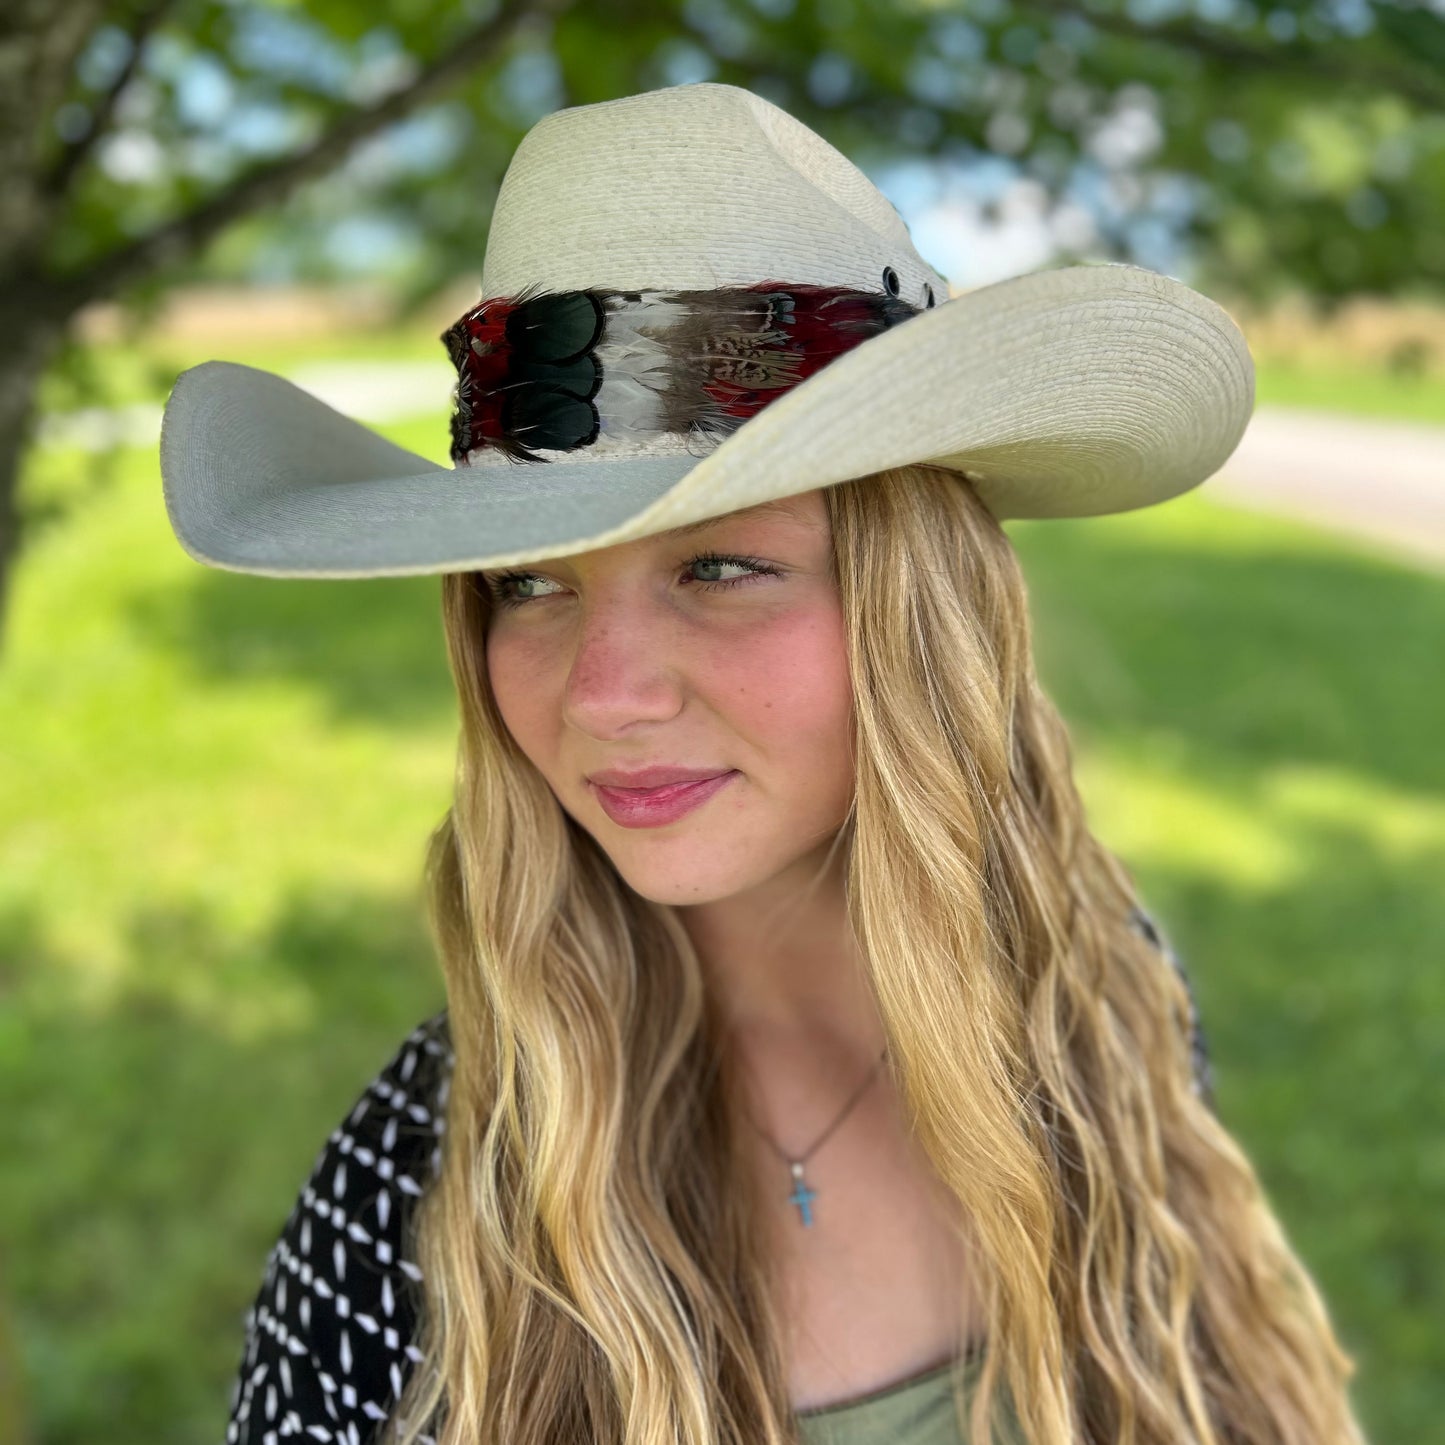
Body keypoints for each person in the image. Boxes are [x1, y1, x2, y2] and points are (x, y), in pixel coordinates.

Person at [160, 83, 1365, 1445]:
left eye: (720, 564)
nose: (606, 695)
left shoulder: (1102, 998)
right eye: (528, 581)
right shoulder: (419, 1208)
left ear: (922, 616)